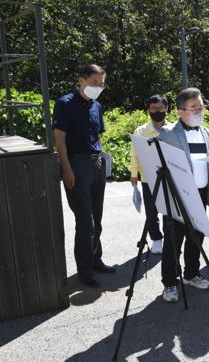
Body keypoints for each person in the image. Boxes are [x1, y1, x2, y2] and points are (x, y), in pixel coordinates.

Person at [53, 63, 115, 288]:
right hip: (76, 164)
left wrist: (102, 161)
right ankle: (84, 270)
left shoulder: (96, 106)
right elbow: (59, 139)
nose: (98, 87)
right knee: (85, 221)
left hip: (95, 163)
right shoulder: (64, 104)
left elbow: (98, 137)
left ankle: (96, 259)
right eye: (94, 82)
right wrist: (66, 168)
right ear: (81, 80)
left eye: (102, 83)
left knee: (96, 219)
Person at [158, 88, 209, 302]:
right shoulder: (167, 134)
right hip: (176, 196)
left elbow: (208, 161)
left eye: (201, 107)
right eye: (194, 108)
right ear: (180, 111)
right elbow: (160, 166)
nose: (200, 111)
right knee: (173, 240)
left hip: (200, 193)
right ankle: (169, 283)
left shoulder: (205, 132)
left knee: (197, 236)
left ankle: (192, 273)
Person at [129, 94, 169, 255]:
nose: (157, 111)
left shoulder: (174, 129)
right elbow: (135, 154)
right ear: (148, 110)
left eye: (160, 108)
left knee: (169, 211)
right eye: (153, 108)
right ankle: (156, 239)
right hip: (148, 178)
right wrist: (133, 174)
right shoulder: (141, 131)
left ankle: (170, 238)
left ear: (167, 109)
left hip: (170, 178)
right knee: (151, 211)